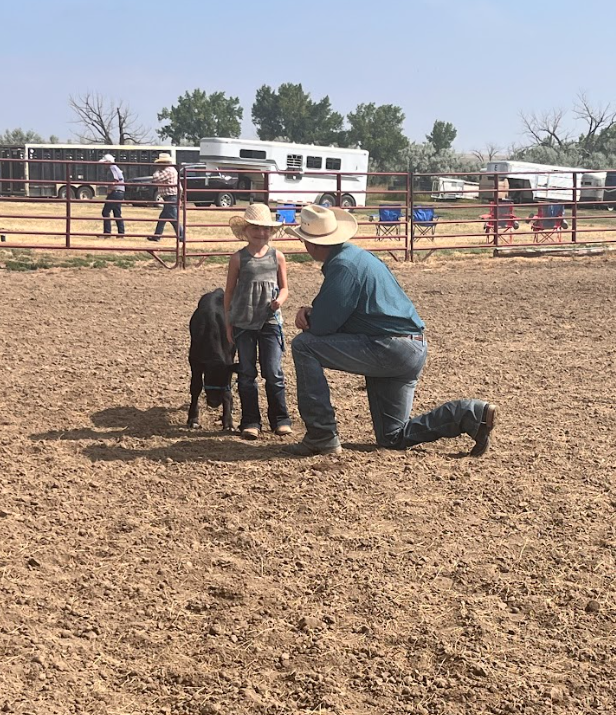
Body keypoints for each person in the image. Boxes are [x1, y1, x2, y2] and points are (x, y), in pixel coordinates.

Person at [284, 204, 497, 457]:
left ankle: (321, 435)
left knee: (304, 345)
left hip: (388, 348)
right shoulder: (359, 257)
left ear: (312, 244)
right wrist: (314, 311)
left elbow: (321, 327)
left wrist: (309, 314)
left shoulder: (342, 266)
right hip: (410, 347)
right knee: (392, 436)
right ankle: (470, 414)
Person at [224, 204, 292, 440]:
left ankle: (280, 418)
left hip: (270, 322)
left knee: (273, 371)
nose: (261, 233)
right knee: (246, 372)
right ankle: (250, 421)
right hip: (243, 322)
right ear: (246, 230)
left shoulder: (278, 257)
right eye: (256, 229)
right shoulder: (237, 259)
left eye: (265, 229)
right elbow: (229, 292)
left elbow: (284, 288)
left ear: (271, 232)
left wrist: (279, 301)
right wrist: (228, 322)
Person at [147, 152, 184, 242]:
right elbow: (180, 187)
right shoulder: (172, 170)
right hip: (170, 197)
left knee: (173, 218)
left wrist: (156, 171)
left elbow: (156, 179)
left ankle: (182, 237)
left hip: (170, 197)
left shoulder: (168, 170)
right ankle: (157, 236)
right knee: (163, 218)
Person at [98, 154, 125, 237]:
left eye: (104, 163)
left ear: (108, 162)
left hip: (115, 192)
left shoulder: (112, 168)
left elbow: (115, 179)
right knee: (117, 213)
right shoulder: (116, 168)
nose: (103, 165)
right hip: (120, 192)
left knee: (105, 212)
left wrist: (110, 189)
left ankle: (107, 233)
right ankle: (121, 233)